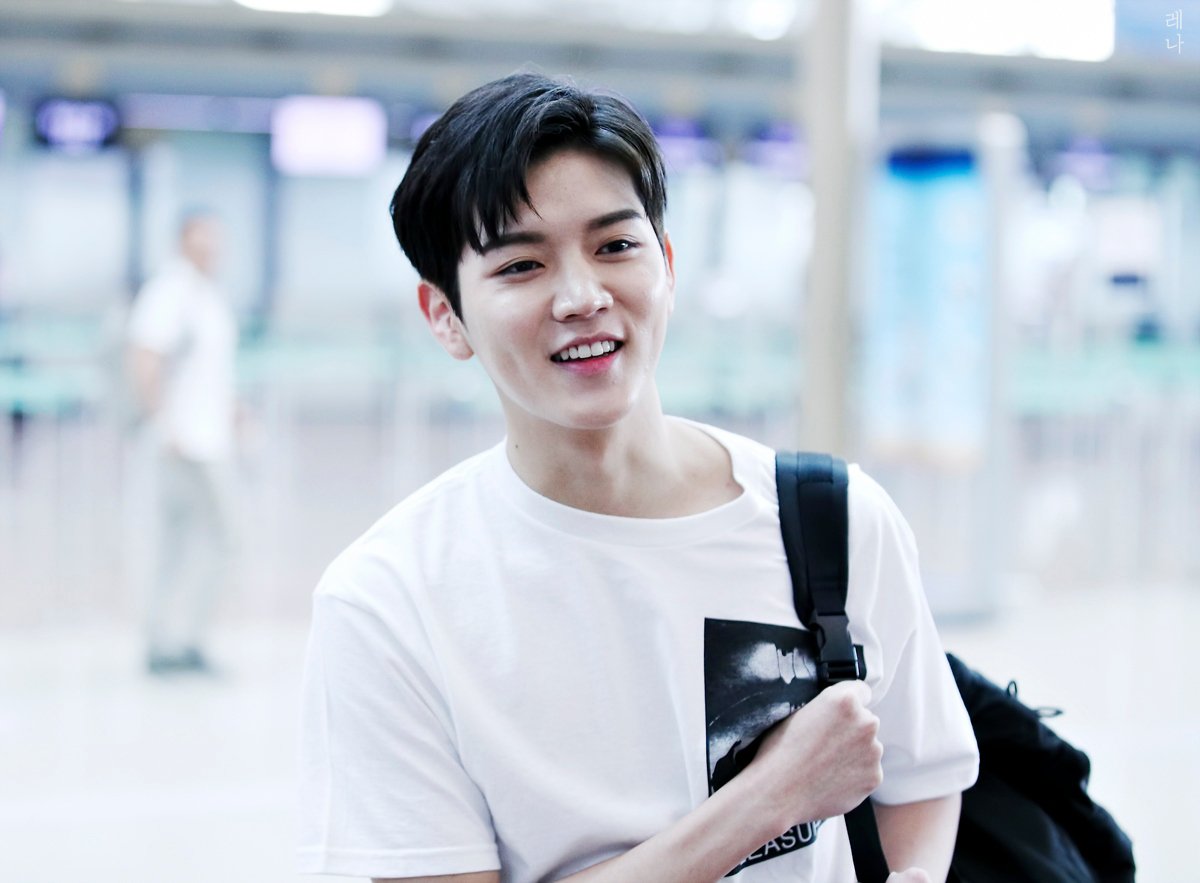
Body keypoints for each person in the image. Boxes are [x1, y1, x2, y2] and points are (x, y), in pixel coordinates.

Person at [297, 72, 979, 883]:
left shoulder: (832, 520)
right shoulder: (390, 601)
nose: (581, 297)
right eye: (521, 265)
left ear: (668, 264)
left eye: (615, 246)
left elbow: (924, 778)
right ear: (445, 315)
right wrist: (768, 798)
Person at [126, 210, 238, 676]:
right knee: (219, 536)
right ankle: (179, 639)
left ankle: (167, 640)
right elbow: (145, 358)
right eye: (203, 238)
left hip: (205, 437)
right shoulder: (171, 291)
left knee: (181, 541)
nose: (212, 248)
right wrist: (163, 423)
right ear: (183, 241)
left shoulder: (203, 292)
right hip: (185, 442)